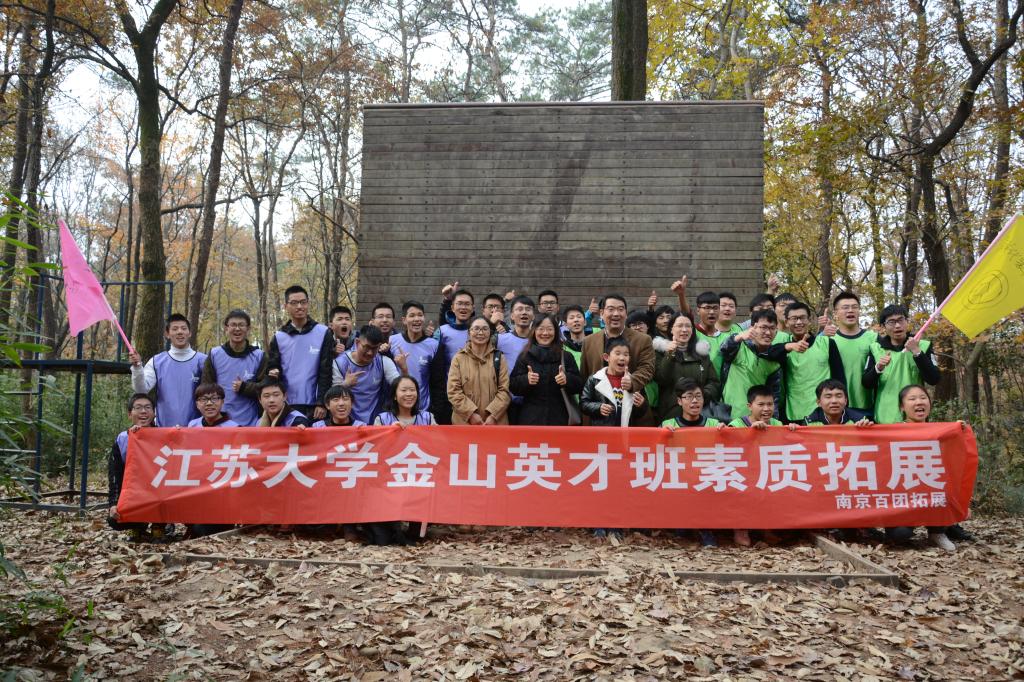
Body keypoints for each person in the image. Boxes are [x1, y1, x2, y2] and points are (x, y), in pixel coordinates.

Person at [884, 384, 972, 551]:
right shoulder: (892, 431)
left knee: (940, 488)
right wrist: (863, 428)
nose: (919, 402)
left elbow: (955, 467)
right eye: (912, 399)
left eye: (923, 398)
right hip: (903, 495)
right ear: (902, 407)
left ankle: (937, 532)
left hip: (931, 491)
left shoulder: (940, 432)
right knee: (899, 535)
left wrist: (957, 430)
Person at [660, 377, 722, 547]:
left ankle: (705, 529)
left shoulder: (714, 424)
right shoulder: (668, 424)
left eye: (698, 396)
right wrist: (662, 435)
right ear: (679, 401)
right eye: (689, 397)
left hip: (705, 477)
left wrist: (724, 433)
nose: (695, 401)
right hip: (679, 477)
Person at [580, 294, 656, 424]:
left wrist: (632, 381)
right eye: (611, 309)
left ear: (626, 314)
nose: (616, 313)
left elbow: (647, 368)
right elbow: (584, 375)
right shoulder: (589, 341)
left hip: (632, 412)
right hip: (598, 415)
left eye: (620, 309)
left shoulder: (643, 340)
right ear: (601, 313)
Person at [764, 301, 845, 423]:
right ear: (786, 322)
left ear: (809, 320)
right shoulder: (785, 347)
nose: (798, 322)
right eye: (794, 318)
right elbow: (769, 353)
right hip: (794, 412)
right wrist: (790, 346)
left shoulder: (827, 343)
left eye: (802, 318)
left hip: (825, 412)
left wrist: (843, 408)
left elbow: (839, 377)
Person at [265, 285, 333, 421]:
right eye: (294, 303)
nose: (299, 307)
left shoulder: (323, 332)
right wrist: (273, 370)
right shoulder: (279, 336)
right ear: (286, 306)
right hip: (286, 404)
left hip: (314, 405)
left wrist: (322, 402)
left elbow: (326, 371)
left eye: (303, 302)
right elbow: (273, 365)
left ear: (308, 303)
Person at [863, 304, 940, 424]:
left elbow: (934, 379)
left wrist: (917, 352)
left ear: (907, 321)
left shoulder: (923, 345)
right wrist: (878, 368)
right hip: (885, 416)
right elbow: (866, 383)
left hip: (915, 418)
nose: (897, 325)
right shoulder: (876, 349)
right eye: (891, 322)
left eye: (901, 320)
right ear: (883, 326)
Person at [129, 313, 206, 427]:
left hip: (196, 430)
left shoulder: (203, 360)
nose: (180, 332)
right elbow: (141, 389)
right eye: (175, 329)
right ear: (167, 334)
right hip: (164, 430)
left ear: (189, 333)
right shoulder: (157, 362)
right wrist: (137, 368)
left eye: (183, 328)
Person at [509, 313, 584, 425]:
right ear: (534, 331)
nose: (545, 333)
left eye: (549, 329)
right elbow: (513, 386)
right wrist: (526, 380)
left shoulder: (566, 356)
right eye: (541, 329)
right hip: (530, 418)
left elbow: (579, 385)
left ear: (556, 332)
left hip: (560, 418)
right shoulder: (525, 356)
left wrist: (567, 379)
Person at [107, 394, 159, 541]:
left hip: (158, 491)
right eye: (138, 408)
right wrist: (114, 503)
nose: (143, 411)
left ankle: (160, 526)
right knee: (115, 519)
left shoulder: (164, 435)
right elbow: (115, 474)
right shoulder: (123, 438)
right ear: (130, 414)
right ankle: (138, 525)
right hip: (134, 492)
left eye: (148, 407)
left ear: (154, 413)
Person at [654, 313, 720, 423]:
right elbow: (662, 379)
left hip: (700, 413)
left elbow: (714, 382)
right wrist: (670, 354)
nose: (684, 330)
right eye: (680, 326)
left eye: (688, 326)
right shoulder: (660, 352)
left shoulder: (701, 353)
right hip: (672, 414)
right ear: (671, 329)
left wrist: (699, 396)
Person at [201, 309, 264, 426]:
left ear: (248, 328)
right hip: (220, 423)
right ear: (226, 328)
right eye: (233, 325)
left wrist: (244, 387)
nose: (237, 329)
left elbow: (265, 389)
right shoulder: (215, 354)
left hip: (251, 423)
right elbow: (205, 388)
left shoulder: (259, 356)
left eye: (241, 325)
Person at [719, 309, 783, 420]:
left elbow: (774, 396)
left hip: (757, 421)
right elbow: (724, 349)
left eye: (772, 328)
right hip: (729, 417)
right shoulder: (740, 346)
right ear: (752, 328)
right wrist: (738, 337)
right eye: (763, 327)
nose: (768, 333)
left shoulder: (774, 361)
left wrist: (772, 422)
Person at [447, 316, 512, 425]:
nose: (481, 333)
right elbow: (453, 391)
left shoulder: (499, 358)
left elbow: (504, 390)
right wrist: (470, 414)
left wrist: (493, 415)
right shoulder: (459, 358)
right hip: (465, 423)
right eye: (476, 328)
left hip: (495, 422)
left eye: (485, 329)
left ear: (490, 332)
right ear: (469, 332)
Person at [332, 325, 401, 425]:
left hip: (375, 422)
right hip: (348, 422)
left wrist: (404, 369)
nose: (370, 353)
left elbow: (400, 386)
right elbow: (332, 397)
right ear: (357, 342)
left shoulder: (383, 362)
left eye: (374, 348)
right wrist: (345, 385)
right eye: (366, 347)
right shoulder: (340, 363)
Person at [829, 291, 878, 415]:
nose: (850, 310)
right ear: (835, 313)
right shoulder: (828, 340)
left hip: (868, 406)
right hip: (837, 407)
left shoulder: (873, 338)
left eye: (854, 307)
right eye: (845, 307)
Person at [580, 337, 647, 427]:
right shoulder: (594, 379)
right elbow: (583, 404)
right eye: (617, 353)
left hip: (625, 432)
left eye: (626, 355)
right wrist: (598, 407)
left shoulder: (634, 381)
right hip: (602, 432)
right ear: (606, 357)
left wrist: (641, 404)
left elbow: (639, 414)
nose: (622, 358)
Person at [431, 287, 475, 424]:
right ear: (452, 307)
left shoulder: (479, 331)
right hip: (448, 395)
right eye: (459, 303)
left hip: (474, 395)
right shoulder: (442, 332)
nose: (463, 307)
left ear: (473, 308)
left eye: (467, 304)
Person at [389, 301, 438, 413]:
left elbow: (436, 381)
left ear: (424, 318)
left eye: (420, 315)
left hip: (423, 408)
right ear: (404, 320)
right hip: (397, 409)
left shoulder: (433, 345)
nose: (417, 319)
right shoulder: (392, 341)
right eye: (412, 315)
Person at [498, 295, 535, 422]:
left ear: (533, 316)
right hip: (506, 401)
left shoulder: (540, 341)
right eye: (519, 309)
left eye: (528, 309)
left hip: (532, 402)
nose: (524, 312)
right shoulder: (500, 340)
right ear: (512, 316)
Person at [803, 379, 872, 426]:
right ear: (819, 402)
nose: (834, 401)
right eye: (828, 396)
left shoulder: (859, 420)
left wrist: (866, 429)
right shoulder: (810, 423)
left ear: (845, 401)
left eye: (839, 396)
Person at [561, 304, 587, 368]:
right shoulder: (562, 348)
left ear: (585, 322)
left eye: (579, 317)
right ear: (565, 324)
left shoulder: (595, 342)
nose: (576, 320)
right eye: (571, 318)